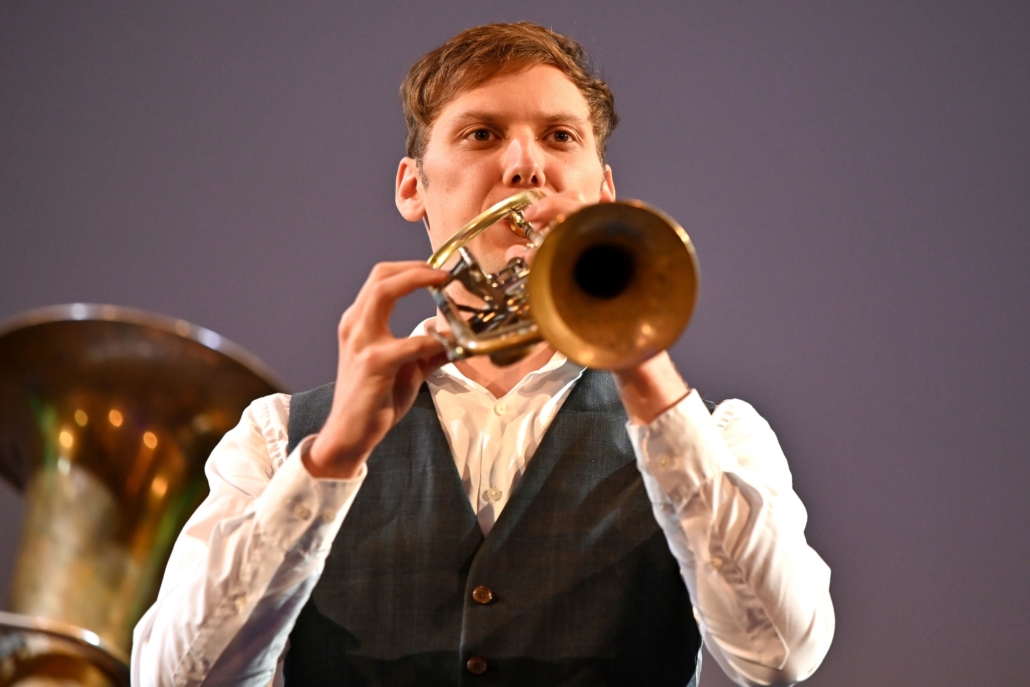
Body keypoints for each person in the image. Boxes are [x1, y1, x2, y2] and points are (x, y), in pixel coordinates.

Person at [132, 22, 834, 687]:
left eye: (560, 136)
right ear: (412, 187)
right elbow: (173, 677)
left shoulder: (721, 434)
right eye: (482, 134)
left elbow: (780, 656)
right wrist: (331, 458)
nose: (526, 165)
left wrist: (641, 361)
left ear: (604, 191)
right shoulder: (276, 436)